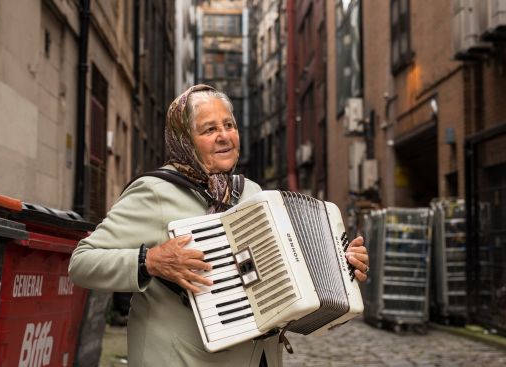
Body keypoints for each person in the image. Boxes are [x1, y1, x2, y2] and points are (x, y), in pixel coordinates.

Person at [68, 84, 370, 367]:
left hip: (258, 358)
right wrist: (151, 261)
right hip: (180, 357)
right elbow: (82, 262)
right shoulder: (155, 192)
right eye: (209, 129)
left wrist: (339, 268)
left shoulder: (251, 193)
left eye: (229, 125)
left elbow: (284, 272)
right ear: (184, 139)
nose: (224, 136)